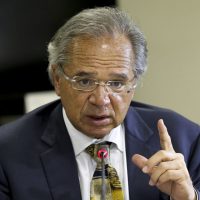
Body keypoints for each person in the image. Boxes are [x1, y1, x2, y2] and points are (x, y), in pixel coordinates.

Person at [0, 7, 199, 200]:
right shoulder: (7, 152)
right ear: (57, 79)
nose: (101, 99)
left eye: (116, 83)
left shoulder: (186, 140)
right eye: (84, 81)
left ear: (134, 83)